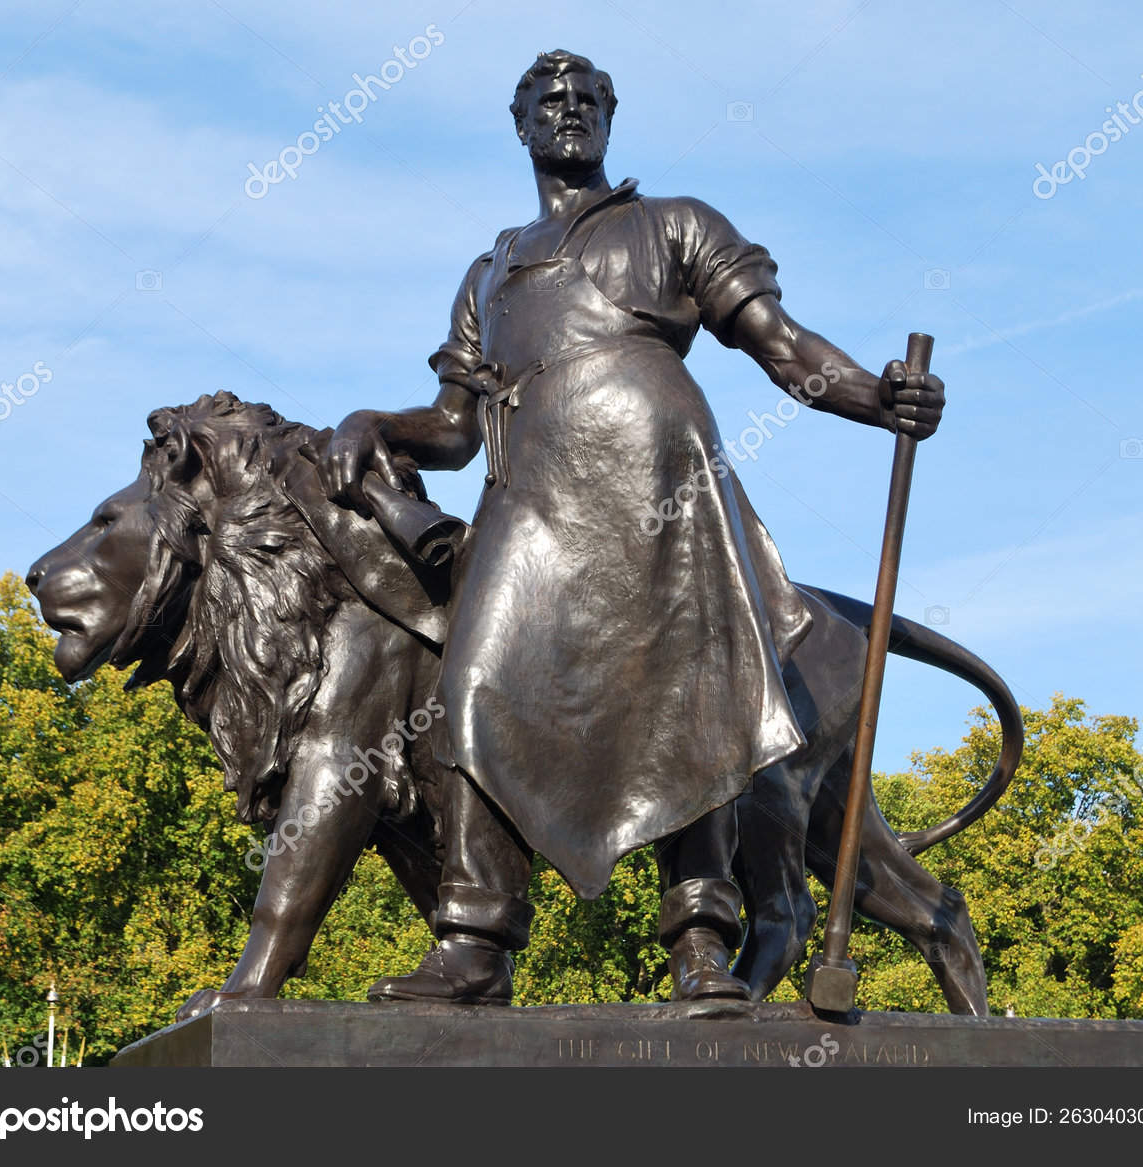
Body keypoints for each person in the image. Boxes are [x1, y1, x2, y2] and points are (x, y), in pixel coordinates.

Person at [316, 50, 945, 1003]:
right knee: (474, 684)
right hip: (530, 499)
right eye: (549, 101)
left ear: (610, 121)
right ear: (520, 125)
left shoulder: (674, 226)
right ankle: (478, 941)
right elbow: (452, 428)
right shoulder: (490, 272)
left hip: (662, 485)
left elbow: (780, 345)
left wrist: (875, 395)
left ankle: (699, 939)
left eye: (587, 100)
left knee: (690, 703)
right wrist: (376, 422)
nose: (569, 112)